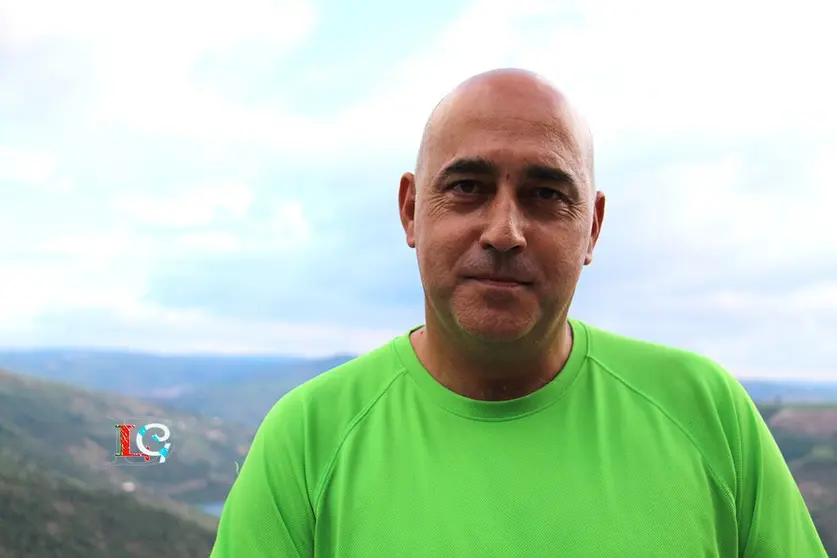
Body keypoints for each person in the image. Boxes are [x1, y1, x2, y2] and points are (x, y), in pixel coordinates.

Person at [210, 69, 826, 557]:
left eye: (546, 195)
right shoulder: (306, 439)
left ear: (592, 228)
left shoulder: (707, 412)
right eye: (468, 188)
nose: (504, 232)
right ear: (410, 211)